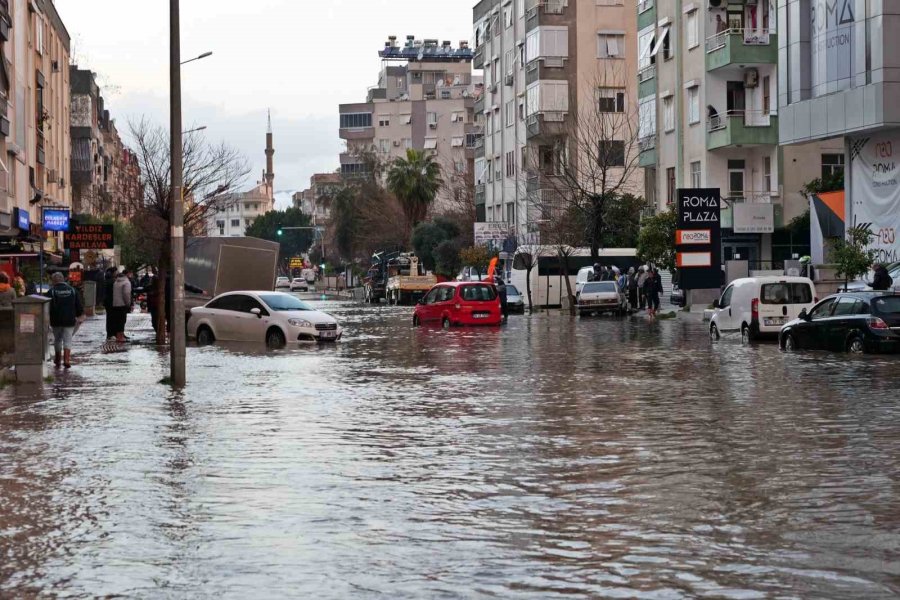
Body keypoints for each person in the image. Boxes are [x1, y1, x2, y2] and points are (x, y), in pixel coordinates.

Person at [47, 272, 84, 368]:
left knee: (58, 339)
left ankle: (58, 359)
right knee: (68, 339)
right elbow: (79, 305)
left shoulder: (51, 291)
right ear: (63, 280)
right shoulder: (72, 290)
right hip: (69, 320)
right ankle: (67, 360)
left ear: (53, 281)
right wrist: (79, 314)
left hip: (56, 320)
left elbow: (47, 306)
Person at [112, 269, 132, 343]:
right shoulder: (126, 282)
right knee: (122, 320)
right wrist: (128, 303)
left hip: (115, 304)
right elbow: (126, 294)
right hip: (122, 304)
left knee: (118, 320)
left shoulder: (116, 282)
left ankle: (119, 336)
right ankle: (120, 337)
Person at [103, 267, 117, 341]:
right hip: (111, 302)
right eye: (115, 272)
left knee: (109, 318)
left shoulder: (106, 280)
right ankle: (111, 334)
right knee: (112, 318)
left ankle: (110, 334)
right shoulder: (112, 282)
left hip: (107, 302)